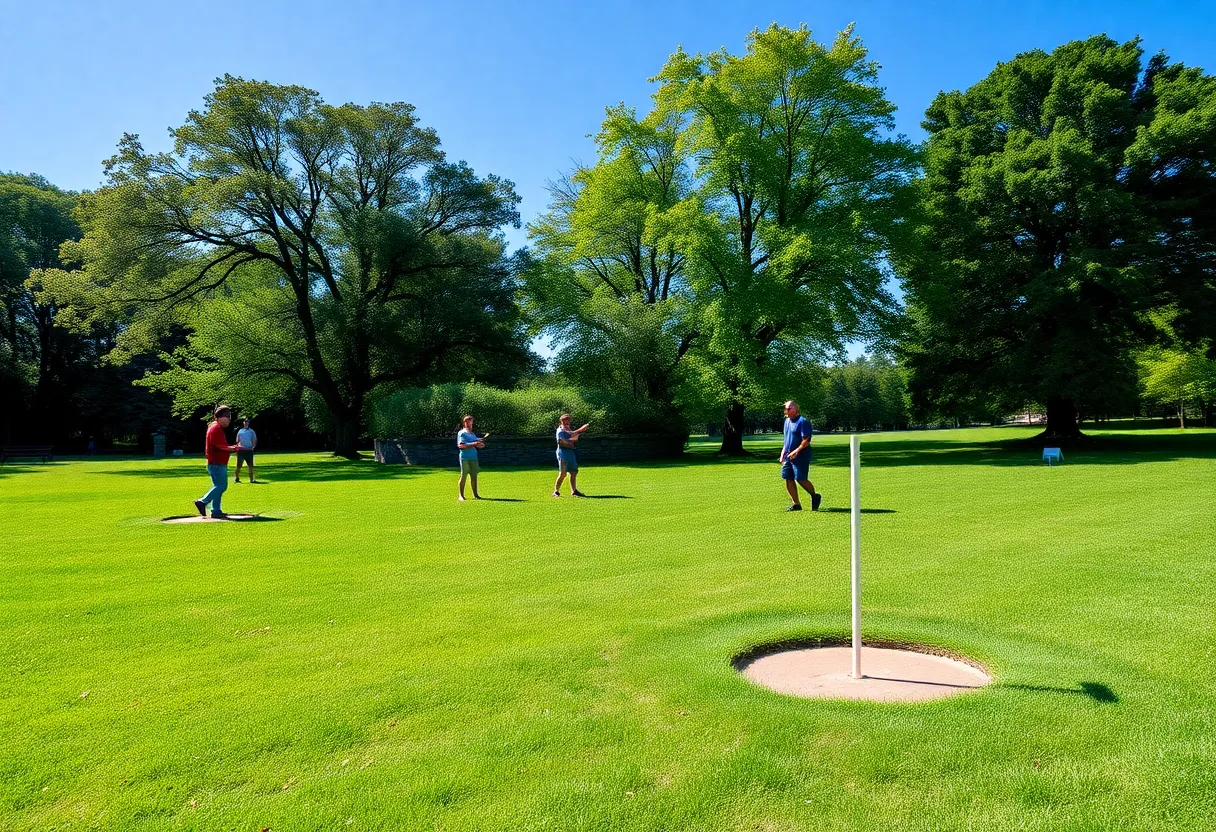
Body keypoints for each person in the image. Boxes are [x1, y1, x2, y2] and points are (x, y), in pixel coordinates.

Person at [195, 405, 241, 519]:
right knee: (221, 486)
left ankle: (216, 511)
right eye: (228, 417)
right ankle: (202, 501)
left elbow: (219, 445)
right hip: (217, 463)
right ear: (220, 417)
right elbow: (219, 446)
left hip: (215, 463)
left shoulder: (214, 426)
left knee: (217, 487)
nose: (229, 420)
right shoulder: (216, 428)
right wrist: (234, 448)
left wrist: (232, 448)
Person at [780, 400, 821, 512]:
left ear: (795, 409)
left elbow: (806, 440)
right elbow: (786, 439)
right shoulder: (787, 421)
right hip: (788, 456)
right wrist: (783, 453)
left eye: (788, 409)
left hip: (801, 456)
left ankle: (815, 496)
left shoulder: (803, 422)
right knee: (788, 478)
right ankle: (796, 504)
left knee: (801, 479)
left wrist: (796, 451)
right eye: (785, 409)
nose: (786, 411)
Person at [553, 413, 589, 497]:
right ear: (561, 421)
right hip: (562, 453)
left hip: (570, 452)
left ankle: (574, 491)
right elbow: (561, 442)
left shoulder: (568, 429)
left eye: (568, 421)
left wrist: (581, 430)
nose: (567, 422)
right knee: (563, 474)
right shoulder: (560, 430)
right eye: (565, 421)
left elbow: (572, 434)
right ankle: (556, 491)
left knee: (573, 472)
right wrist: (571, 442)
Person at [456, 414, 486, 501]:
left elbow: (476, 440)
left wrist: (480, 443)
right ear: (465, 422)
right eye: (469, 421)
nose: (471, 423)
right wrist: (474, 443)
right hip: (464, 458)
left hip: (473, 458)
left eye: (472, 421)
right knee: (463, 476)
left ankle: (476, 495)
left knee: (474, 476)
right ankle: (461, 496)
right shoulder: (461, 433)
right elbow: (461, 445)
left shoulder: (472, 434)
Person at [234, 418, 258, 483]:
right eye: (245, 422)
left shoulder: (251, 431)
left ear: (249, 423)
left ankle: (251, 479)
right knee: (239, 465)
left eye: (247, 422)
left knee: (250, 466)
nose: (246, 423)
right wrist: (238, 446)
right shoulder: (240, 431)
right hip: (241, 451)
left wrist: (253, 447)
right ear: (243, 423)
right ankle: (237, 478)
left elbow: (254, 439)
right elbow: (237, 440)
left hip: (249, 450)